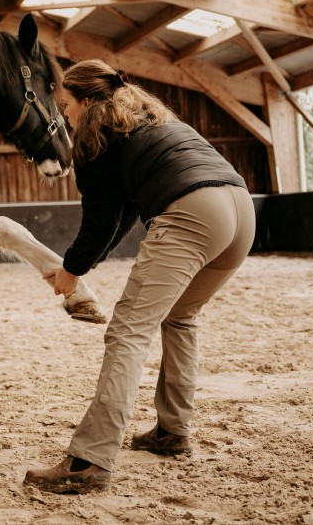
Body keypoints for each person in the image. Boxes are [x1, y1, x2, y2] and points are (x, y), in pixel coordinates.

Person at [24, 59, 256, 494]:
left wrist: (70, 273)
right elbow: (123, 217)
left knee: (128, 332)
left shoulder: (93, 136)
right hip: (240, 212)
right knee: (180, 316)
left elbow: (99, 223)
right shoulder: (149, 122)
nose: (65, 115)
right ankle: (172, 430)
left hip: (192, 212)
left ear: (87, 101)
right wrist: (79, 268)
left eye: (66, 105)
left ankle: (89, 461)